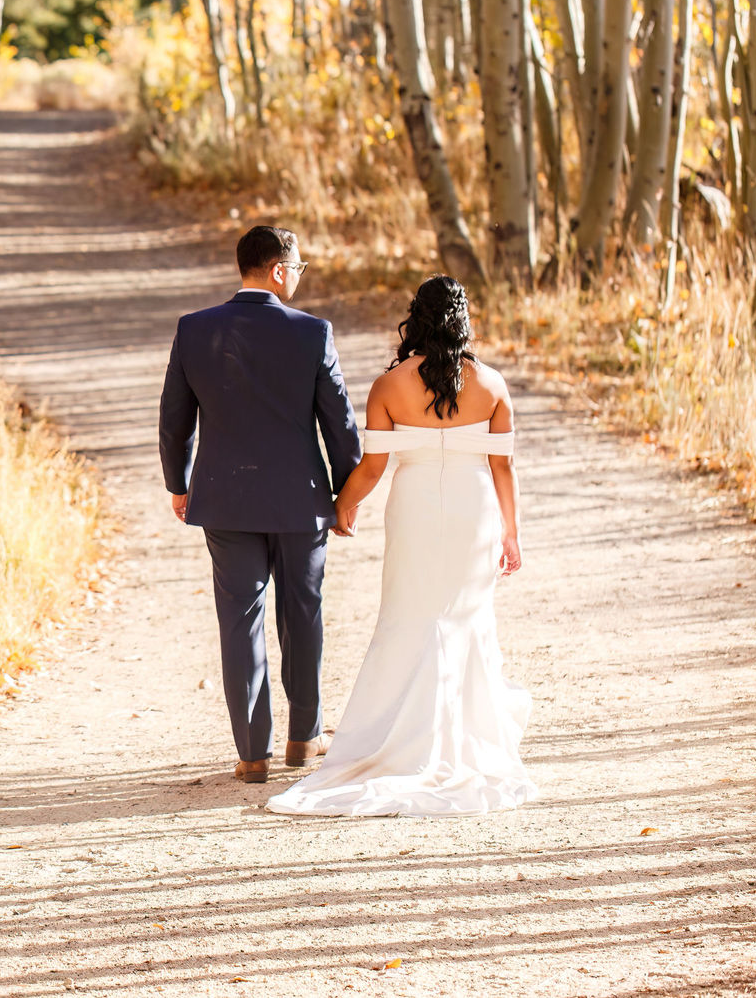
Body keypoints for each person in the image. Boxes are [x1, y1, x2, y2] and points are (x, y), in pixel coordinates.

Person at [268, 275, 536, 817]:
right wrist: (510, 531)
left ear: (415, 319)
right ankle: (464, 741)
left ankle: (396, 739)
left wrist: (344, 503)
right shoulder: (491, 385)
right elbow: (502, 467)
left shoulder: (390, 386)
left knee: (409, 615)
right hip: (473, 511)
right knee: (465, 619)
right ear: (464, 322)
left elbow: (373, 466)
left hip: (414, 508)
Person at [158, 225, 362, 785]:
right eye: (297, 268)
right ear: (278, 269)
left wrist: (179, 482)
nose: (298, 277)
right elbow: (339, 423)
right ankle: (304, 736)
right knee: (303, 612)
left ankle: (253, 754)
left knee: (239, 621)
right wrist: (347, 492)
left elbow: (175, 418)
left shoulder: (194, 330)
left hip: (225, 500)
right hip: (301, 502)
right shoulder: (312, 333)